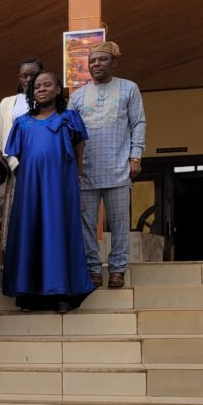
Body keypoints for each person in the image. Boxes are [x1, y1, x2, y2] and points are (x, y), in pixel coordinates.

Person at [3, 70, 95, 313]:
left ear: (58, 90)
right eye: (36, 87)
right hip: (31, 186)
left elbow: (79, 152)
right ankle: (31, 295)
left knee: (59, 233)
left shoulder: (70, 118)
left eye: (47, 85)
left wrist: (77, 179)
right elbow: (20, 156)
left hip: (61, 186)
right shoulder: (22, 122)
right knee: (31, 233)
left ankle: (63, 293)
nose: (41, 89)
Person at [70, 41, 146, 289]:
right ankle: (93, 269)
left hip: (118, 169)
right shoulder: (78, 95)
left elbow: (138, 124)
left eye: (102, 60)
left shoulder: (128, 88)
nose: (96, 65)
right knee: (86, 224)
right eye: (92, 61)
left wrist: (135, 157)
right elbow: (69, 133)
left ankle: (117, 269)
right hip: (86, 172)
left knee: (120, 222)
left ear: (114, 62)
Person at [0, 58, 44, 252]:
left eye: (33, 74)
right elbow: (2, 136)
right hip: (19, 168)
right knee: (19, 218)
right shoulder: (8, 103)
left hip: (46, 168)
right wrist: (15, 163)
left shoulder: (53, 102)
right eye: (24, 75)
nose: (28, 79)